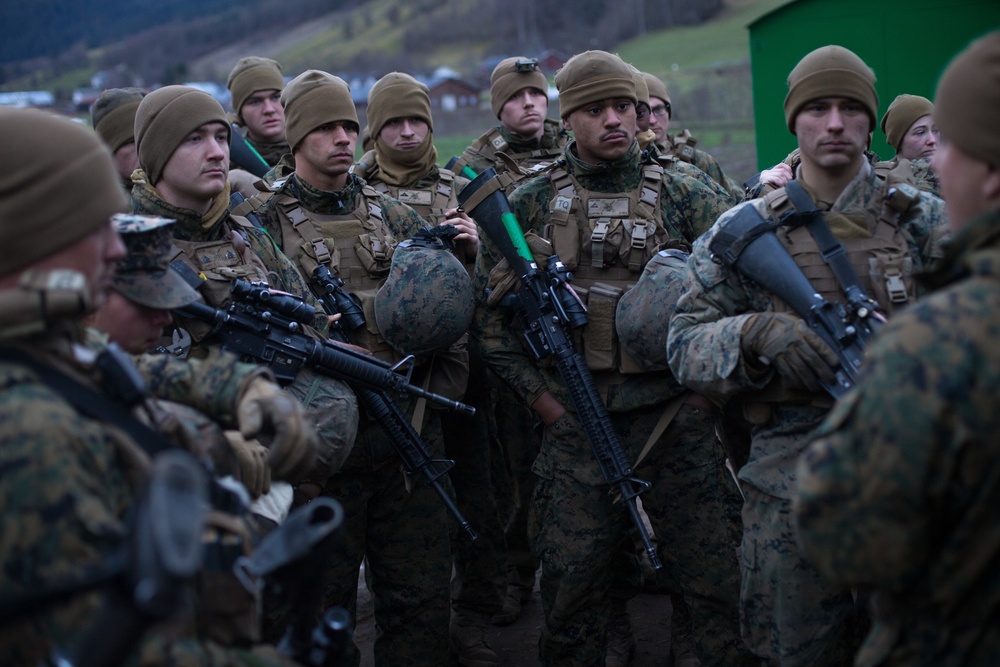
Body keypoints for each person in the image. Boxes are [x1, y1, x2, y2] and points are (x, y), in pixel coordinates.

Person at [667, 45, 949, 666]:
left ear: (870, 122)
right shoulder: (743, 231)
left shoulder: (926, 222)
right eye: (817, 108)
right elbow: (683, 343)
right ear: (794, 121)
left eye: (850, 108)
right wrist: (754, 336)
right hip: (789, 489)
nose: (834, 123)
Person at [0, 106, 314, 666]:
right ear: (31, 239)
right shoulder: (29, 431)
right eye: (94, 228)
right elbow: (105, 648)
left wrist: (238, 388)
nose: (117, 250)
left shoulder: (38, 342)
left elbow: (114, 366)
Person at [472, 49, 746, 666]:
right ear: (567, 120)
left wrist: (706, 395)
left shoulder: (685, 192)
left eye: (624, 106)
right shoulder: (532, 200)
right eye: (594, 109)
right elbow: (489, 321)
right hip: (576, 419)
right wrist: (545, 405)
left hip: (675, 417)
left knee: (712, 579)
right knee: (572, 589)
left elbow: (743, 295)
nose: (614, 120)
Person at [240, 69, 471, 667]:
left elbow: (447, 321)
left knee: (420, 606)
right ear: (295, 140)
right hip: (324, 453)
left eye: (348, 125)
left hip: (407, 437)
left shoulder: (395, 216)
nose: (343, 138)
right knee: (319, 613)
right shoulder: (260, 223)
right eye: (325, 128)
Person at [794, 31, 1000, 667]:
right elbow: (682, 328)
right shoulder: (755, 218)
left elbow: (846, 537)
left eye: (953, 147)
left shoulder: (937, 339)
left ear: (987, 175)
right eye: (817, 109)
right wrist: (751, 335)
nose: (936, 160)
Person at [129, 84, 359, 508]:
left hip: (276, 470)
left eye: (220, 137)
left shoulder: (247, 235)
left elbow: (311, 322)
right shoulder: (126, 245)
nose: (217, 152)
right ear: (157, 153)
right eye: (194, 139)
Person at [355, 70, 504, 667]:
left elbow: (498, 275)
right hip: (389, 370)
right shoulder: (360, 194)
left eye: (418, 120)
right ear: (375, 130)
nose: (409, 131)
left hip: (457, 369)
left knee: (472, 487)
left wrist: (472, 248)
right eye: (394, 122)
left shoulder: (458, 188)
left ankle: (473, 611)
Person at [450, 56, 568, 185]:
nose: (528, 103)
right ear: (499, 107)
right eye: (515, 96)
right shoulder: (475, 167)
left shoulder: (574, 150)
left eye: (535, 93)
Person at [641, 71, 743, 198]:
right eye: (643, 112)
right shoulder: (624, 164)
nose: (652, 120)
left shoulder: (698, 161)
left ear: (668, 111)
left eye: (658, 110)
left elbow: (738, 201)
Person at [91, 86, 146, 191]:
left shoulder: (175, 192)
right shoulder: (95, 202)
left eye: (148, 137)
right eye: (131, 141)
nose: (144, 147)